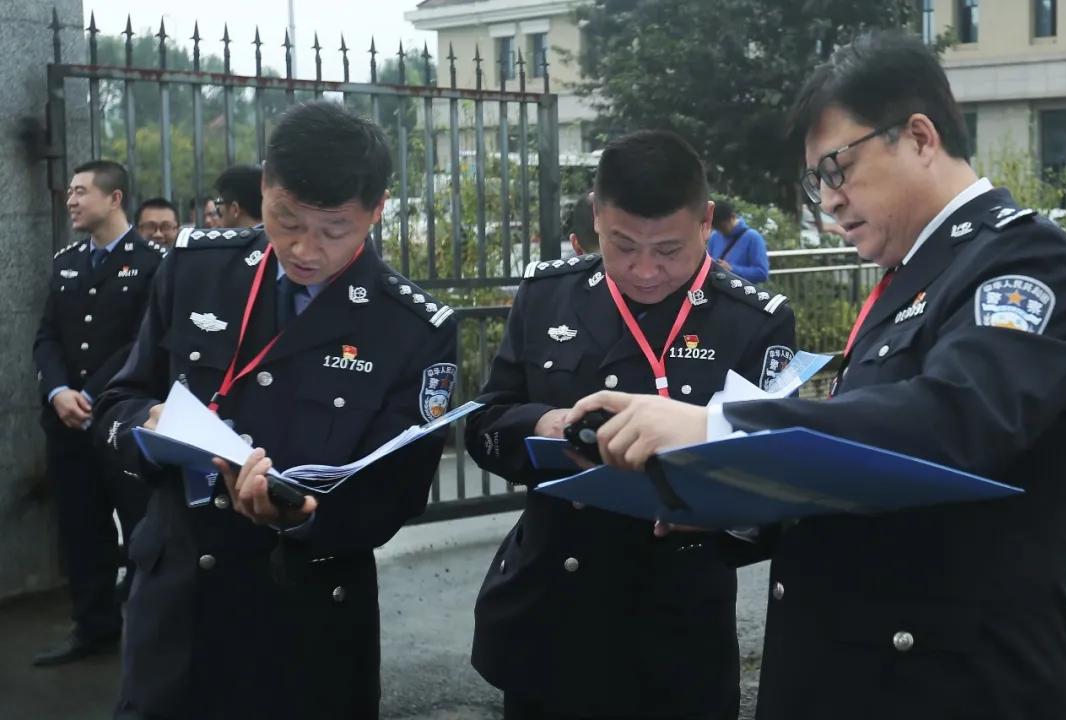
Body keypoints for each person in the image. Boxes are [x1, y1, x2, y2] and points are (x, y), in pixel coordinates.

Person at [566, 30, 1066, 720]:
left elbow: (952, 421)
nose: (828, 200)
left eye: (836, 167)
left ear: (920, 138)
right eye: (816, 181)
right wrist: (724, 501)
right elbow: (865, 468)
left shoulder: (1023, 261)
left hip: (943, 685)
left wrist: (720, 429)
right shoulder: (915, 275)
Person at [94, 101, 458, 719]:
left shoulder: (410, 327)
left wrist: (305, 516)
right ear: (263, 186)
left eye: (334, 230)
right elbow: (119, 400)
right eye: (285, 218)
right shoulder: (197, 269)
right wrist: (142, 427)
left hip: (303, 615)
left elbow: (398, 490)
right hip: (177, 604)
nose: (304, 247)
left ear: (377, 211)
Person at [465, 130, 796, 720]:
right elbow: (484, 423)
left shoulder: (753, 322)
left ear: (706, 223)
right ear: (595, 217)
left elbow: (769, 482)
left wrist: (709, 509)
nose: (644, 271)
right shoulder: (547, 296)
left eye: (668, 250)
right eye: (622, 246)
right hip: (552, 609)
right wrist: (546, 423)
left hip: (675, 628)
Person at [31, 160, 165, 666]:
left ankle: (154, 628)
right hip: (67, 420)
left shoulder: (154, 262)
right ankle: (93, 626)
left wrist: (91, 393)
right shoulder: (66, 261)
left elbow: (145, 341)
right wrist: (58, 391)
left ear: (115, 199)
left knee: (141, 525)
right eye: (69, 191)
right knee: (81, 528)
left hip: (120, 419)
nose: (71, 200)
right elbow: (47, 335)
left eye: (81, 191)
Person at [706, 200, 769, 283]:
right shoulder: (715, 236)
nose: (721, 232)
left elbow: (762, 273)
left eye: (723, 227)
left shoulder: (753, 237)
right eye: (717, 228)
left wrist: (732, 269)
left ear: (733, 217)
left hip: (742, 292)